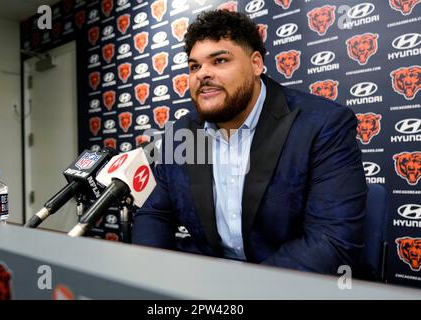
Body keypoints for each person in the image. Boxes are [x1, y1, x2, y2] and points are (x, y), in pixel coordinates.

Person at [132, 10, 367, 275]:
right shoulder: (183, 134)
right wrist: (149, 277)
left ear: (256, 64)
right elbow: (155, 215)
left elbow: (330, 242)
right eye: (194, 66)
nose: (202, 74)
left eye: (219, 60)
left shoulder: (322, 125)